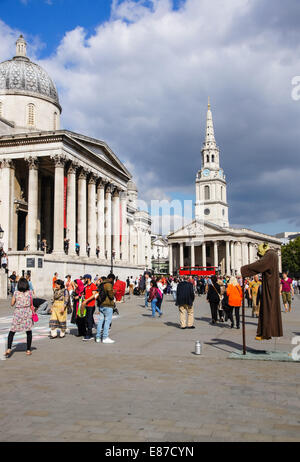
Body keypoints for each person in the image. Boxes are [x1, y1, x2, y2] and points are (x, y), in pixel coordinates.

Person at [241, 242, 283, 341]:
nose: (261, 256)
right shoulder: (273, 255)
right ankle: (265, 333)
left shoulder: (270, 255)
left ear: (264, 249)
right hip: (269, 284)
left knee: (268, 308)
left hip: (270, 285)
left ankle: (267, 332)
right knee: (266, 308)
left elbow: (260, 265)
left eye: (260, 253)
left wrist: (244, 269)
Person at [5, 277, 34, 358]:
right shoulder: (30, 293)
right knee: (28, 331)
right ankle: (28, 350)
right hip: (27, 312)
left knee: (12, 331)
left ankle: (9, 348)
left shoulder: (16, 293)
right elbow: (31, 304)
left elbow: (12, 304)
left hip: (18, 313)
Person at [92, 273, 116, 344]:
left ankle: (98, 337)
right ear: (111, 279)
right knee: (107, 321)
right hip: (108, 305)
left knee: (100, 321)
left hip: (101, 304)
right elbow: (111, 296)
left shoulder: (101, 284)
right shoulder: (108, 284)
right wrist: (114, 292)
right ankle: (105, 337)